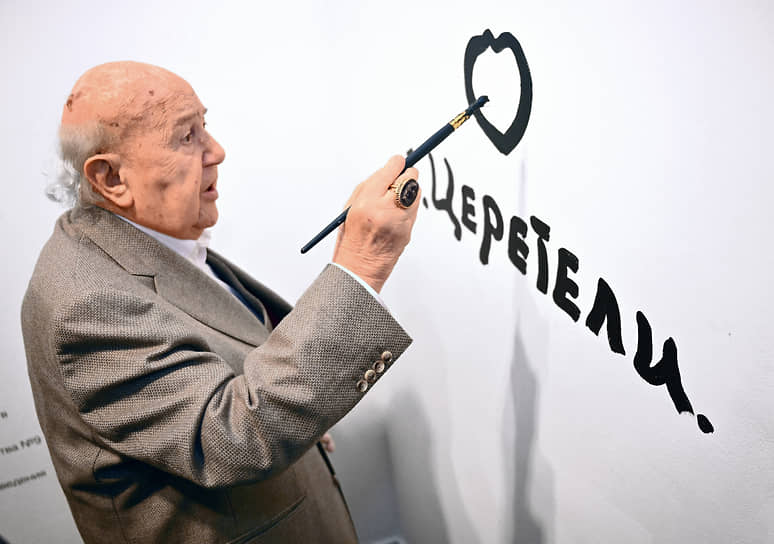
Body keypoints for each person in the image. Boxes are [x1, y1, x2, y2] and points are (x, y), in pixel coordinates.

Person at [21, 61, 420, 544]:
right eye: (186, 136)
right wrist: (361, 261)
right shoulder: (85, 305)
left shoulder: (145, 234)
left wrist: (296, 407)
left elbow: (225, 352)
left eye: (203, 125)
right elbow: (232, 438)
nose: (217, 151)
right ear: (110, 178)